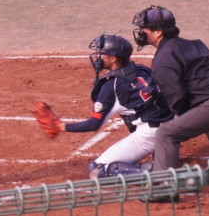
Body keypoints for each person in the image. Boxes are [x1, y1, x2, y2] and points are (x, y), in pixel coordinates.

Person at [32, 34, 174, 179]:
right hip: (173, 124)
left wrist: (59, 126)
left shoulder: (111, 86)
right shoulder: (141, 69)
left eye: (102, 53)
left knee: (98, 169)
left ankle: (153, 172)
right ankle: (162, 152)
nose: (98, 57)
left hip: (150, 135)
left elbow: (94, 124)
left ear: (113, 58)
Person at [132, 5, 209, 171]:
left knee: (166, 133)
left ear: (158, 32)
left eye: (145, 28)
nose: (142, 32)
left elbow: (177, 96)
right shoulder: (194, 44)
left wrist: (184, 115)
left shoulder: (162, 60)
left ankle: (163, 183)